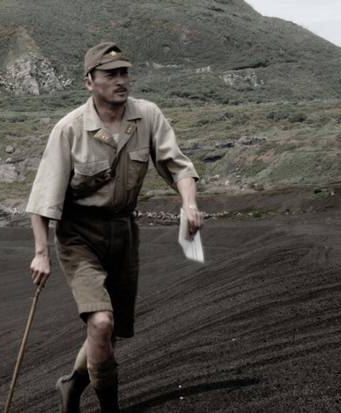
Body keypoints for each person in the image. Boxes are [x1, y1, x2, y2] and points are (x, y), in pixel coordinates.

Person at [25, 41, 203, 413]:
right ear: (89, 81)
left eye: (124, 72)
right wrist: (41, 253)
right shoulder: (70, 129)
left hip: (123, 233)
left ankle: (72, 384)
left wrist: (189, 204)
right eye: (110, 74)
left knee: (109, 331)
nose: (121, 80)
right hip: (79, 236)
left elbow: (178, 166)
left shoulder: (147, 115)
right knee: (102, 322)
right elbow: (42, 198)